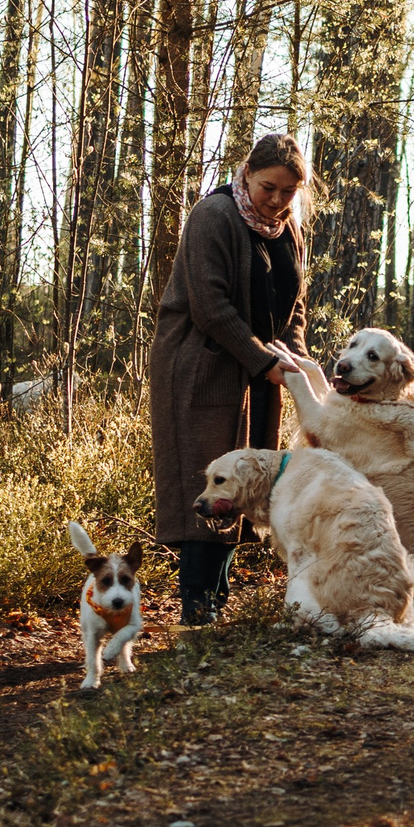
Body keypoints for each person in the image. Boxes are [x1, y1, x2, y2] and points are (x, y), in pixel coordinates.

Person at [147, 133, 312, 625]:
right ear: (246, 174)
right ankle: (198, 609)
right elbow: (211, 309)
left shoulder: (288, 229)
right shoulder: (213, 216)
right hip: (201, 369)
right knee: (211, 482)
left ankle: (216, 605)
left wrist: (297, 361)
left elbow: (294, 308)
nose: (278, 201)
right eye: (269, 188)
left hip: (257, 371)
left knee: (247, 484)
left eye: (288, 192)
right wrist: (266, 362)